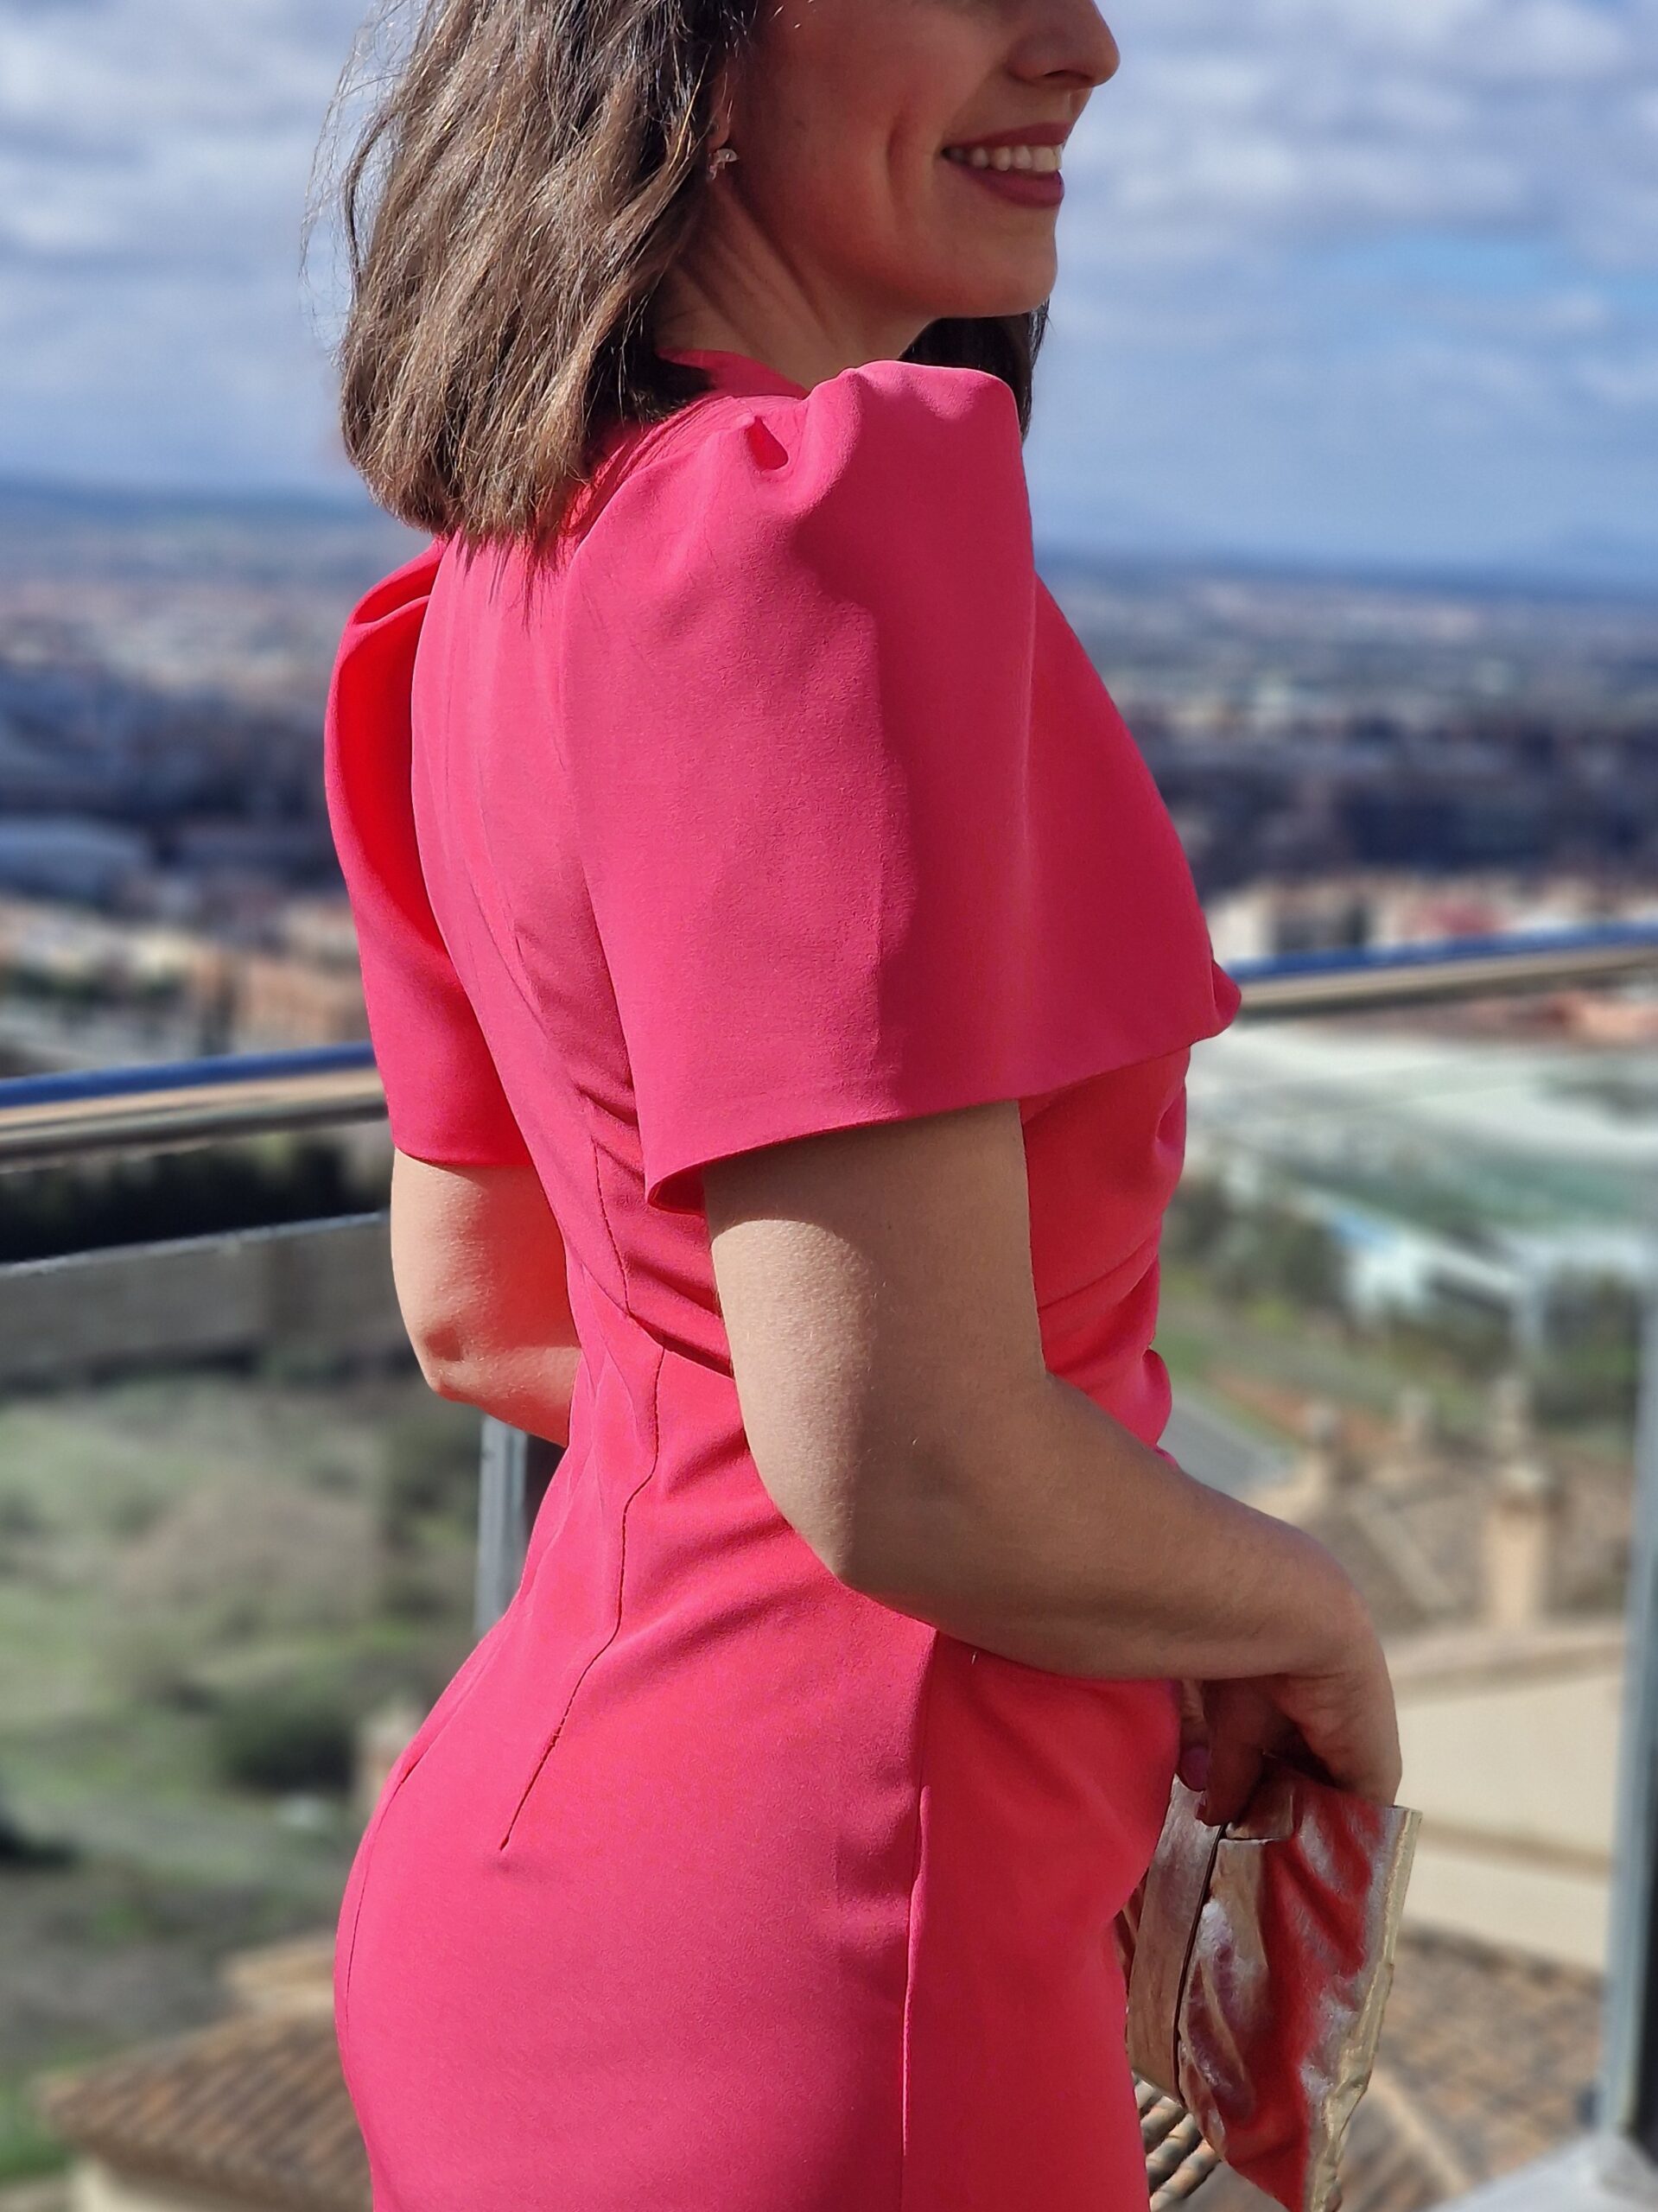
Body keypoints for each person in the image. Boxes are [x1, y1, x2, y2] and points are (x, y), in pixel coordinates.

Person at [314, 0, 1403, 2205]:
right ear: (682, 36)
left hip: (537, 1890)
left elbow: (481, 1307)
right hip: (840, 1965)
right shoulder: (812, 525)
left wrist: (1030, 1536)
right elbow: (904, 1461)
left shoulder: (493, 577)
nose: (1084, 45)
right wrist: (1286, 1606)